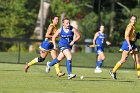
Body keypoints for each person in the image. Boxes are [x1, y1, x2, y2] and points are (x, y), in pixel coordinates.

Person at [109, 15, 140, 80]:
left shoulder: (134, 27)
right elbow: (126, 36)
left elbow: (132, 36)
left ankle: (139, 75)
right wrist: (129, 45)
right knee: (123, 60)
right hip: (127, 43)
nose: (134, 21)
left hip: (132, 43)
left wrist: (136, 36)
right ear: (130, 20)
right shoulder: (130, 26)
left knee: (137, 60)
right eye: (133, 19)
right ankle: (113, 71)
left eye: (135, 19)